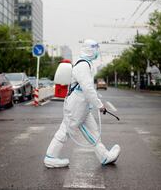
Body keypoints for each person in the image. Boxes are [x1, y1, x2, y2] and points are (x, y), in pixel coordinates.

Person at [44, 39, 121, 168]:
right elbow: (87, 88)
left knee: (94, 131)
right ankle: (50, 157)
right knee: (67, 131)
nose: (97, 52)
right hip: (77, 107)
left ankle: (104, 157)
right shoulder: (83, 66)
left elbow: (88, 88)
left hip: (82, 107)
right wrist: (99, 104)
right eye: (95, 49)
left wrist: (94, 104)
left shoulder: (87, 64)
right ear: (90, 49)